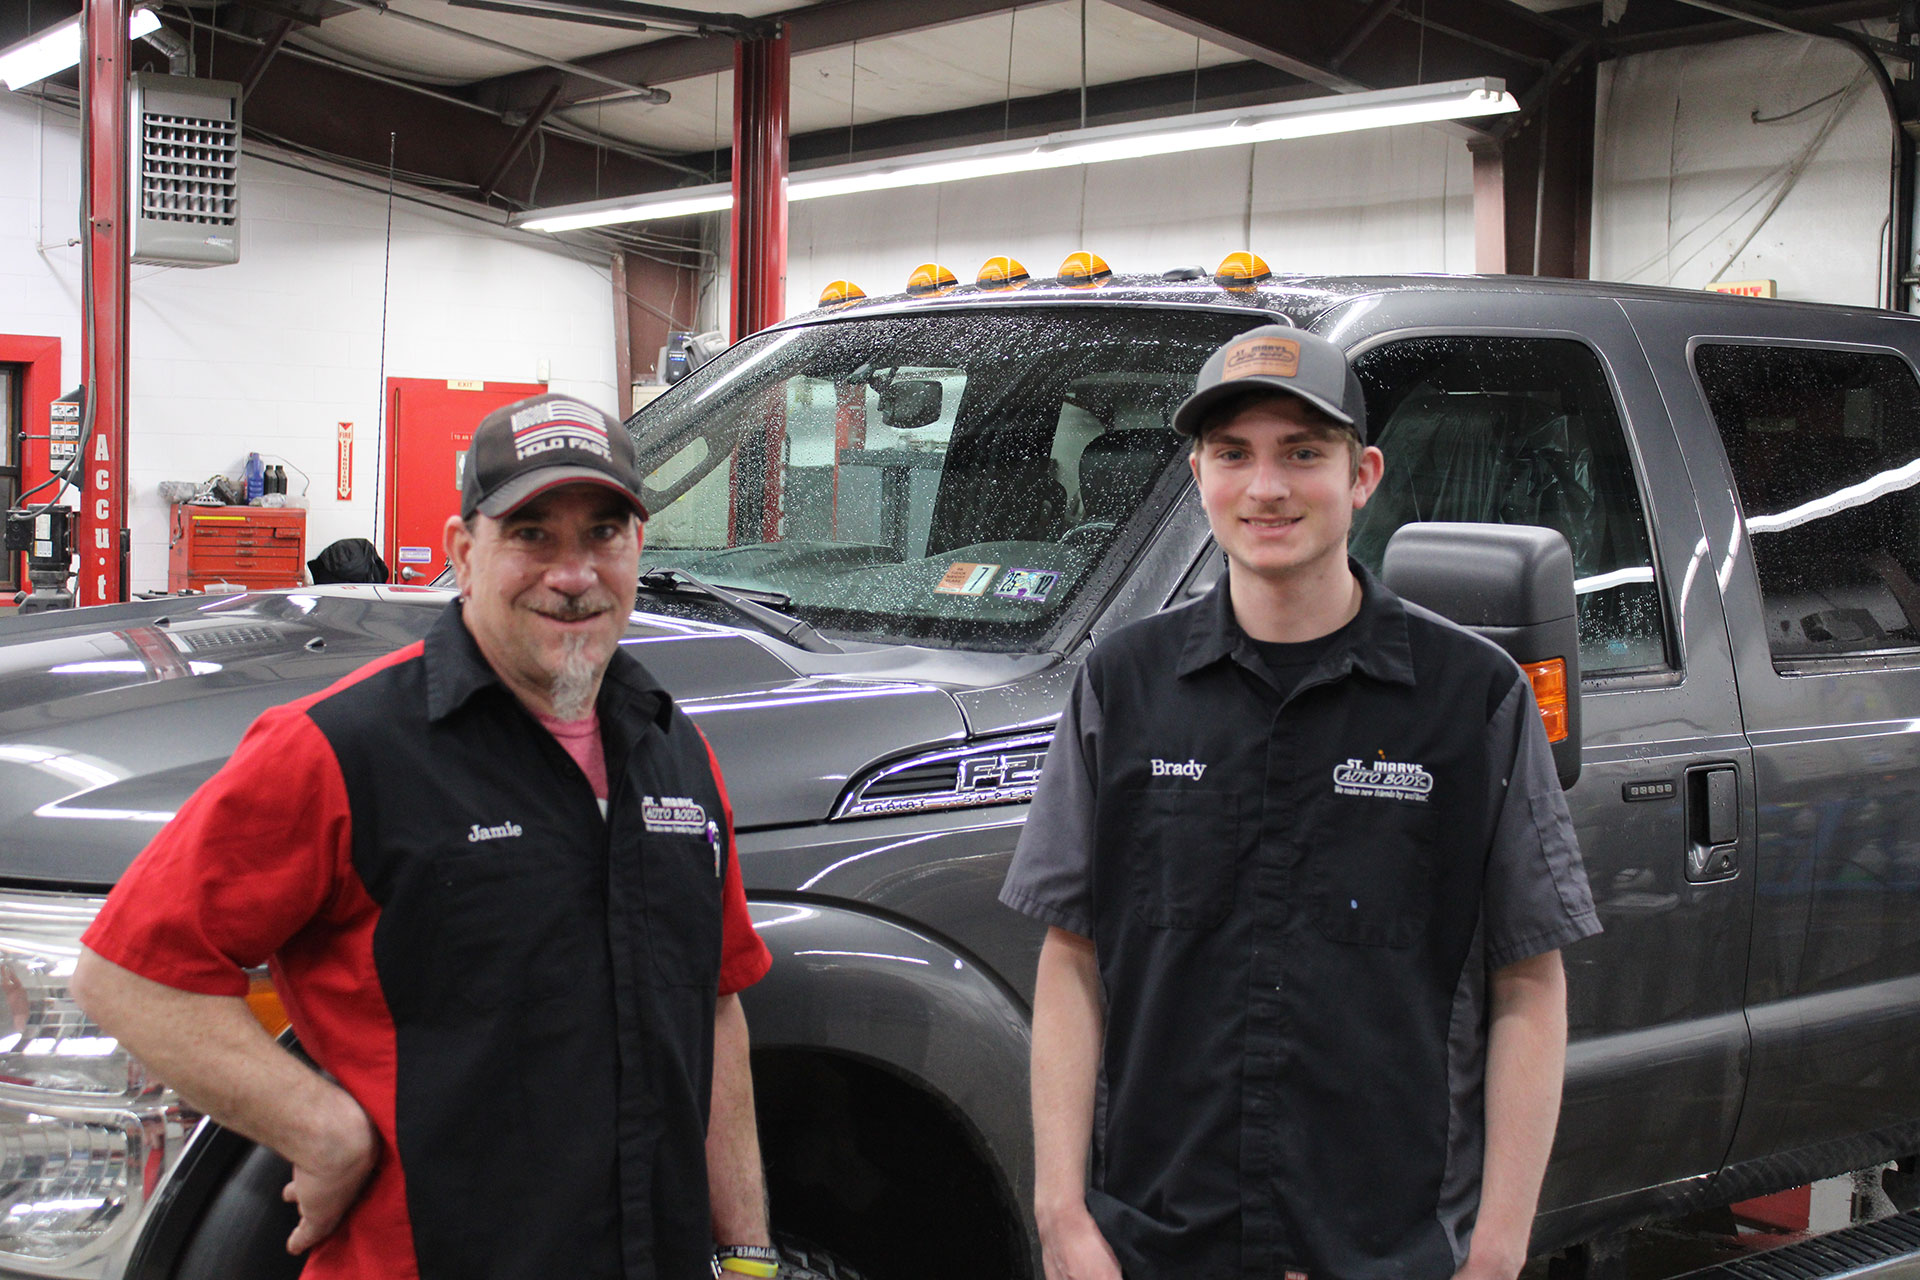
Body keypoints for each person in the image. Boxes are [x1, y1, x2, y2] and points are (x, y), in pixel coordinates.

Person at [72, 393, 778, 1280]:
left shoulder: (674, 749)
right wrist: (318, 1128)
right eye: (531, 535)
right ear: (461, 550)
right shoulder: (341, 748)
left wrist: (748, 1251)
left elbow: (715, 1006)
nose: (573, 573)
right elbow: (129, 972)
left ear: (637, 550)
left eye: (603, 533)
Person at [1000, 327, 1601, 1280]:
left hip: (1391, 1250)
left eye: (1302, 454)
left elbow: (1528, 984)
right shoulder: (1122, 688)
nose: (1265, 488)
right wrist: (1062, 1213)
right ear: (1197, 472)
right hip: (1155, 1243)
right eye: (1233, 454)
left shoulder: (1473, 699)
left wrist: (1496, 1252)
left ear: (1362, 476)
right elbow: (1073, 956)